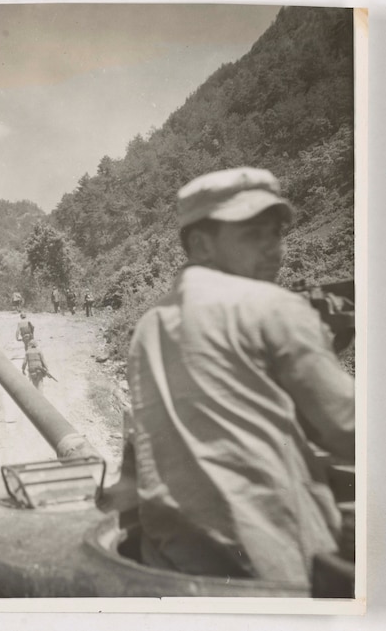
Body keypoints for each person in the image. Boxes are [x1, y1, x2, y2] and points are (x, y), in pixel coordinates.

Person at [126, 167, 354, 588]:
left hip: (173, 560)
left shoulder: (149, 324)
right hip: (271, 559)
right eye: (254, 235)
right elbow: (351, 429)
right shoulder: (272, 305)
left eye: (277, 234)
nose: (276, 251)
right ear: (200, 244)